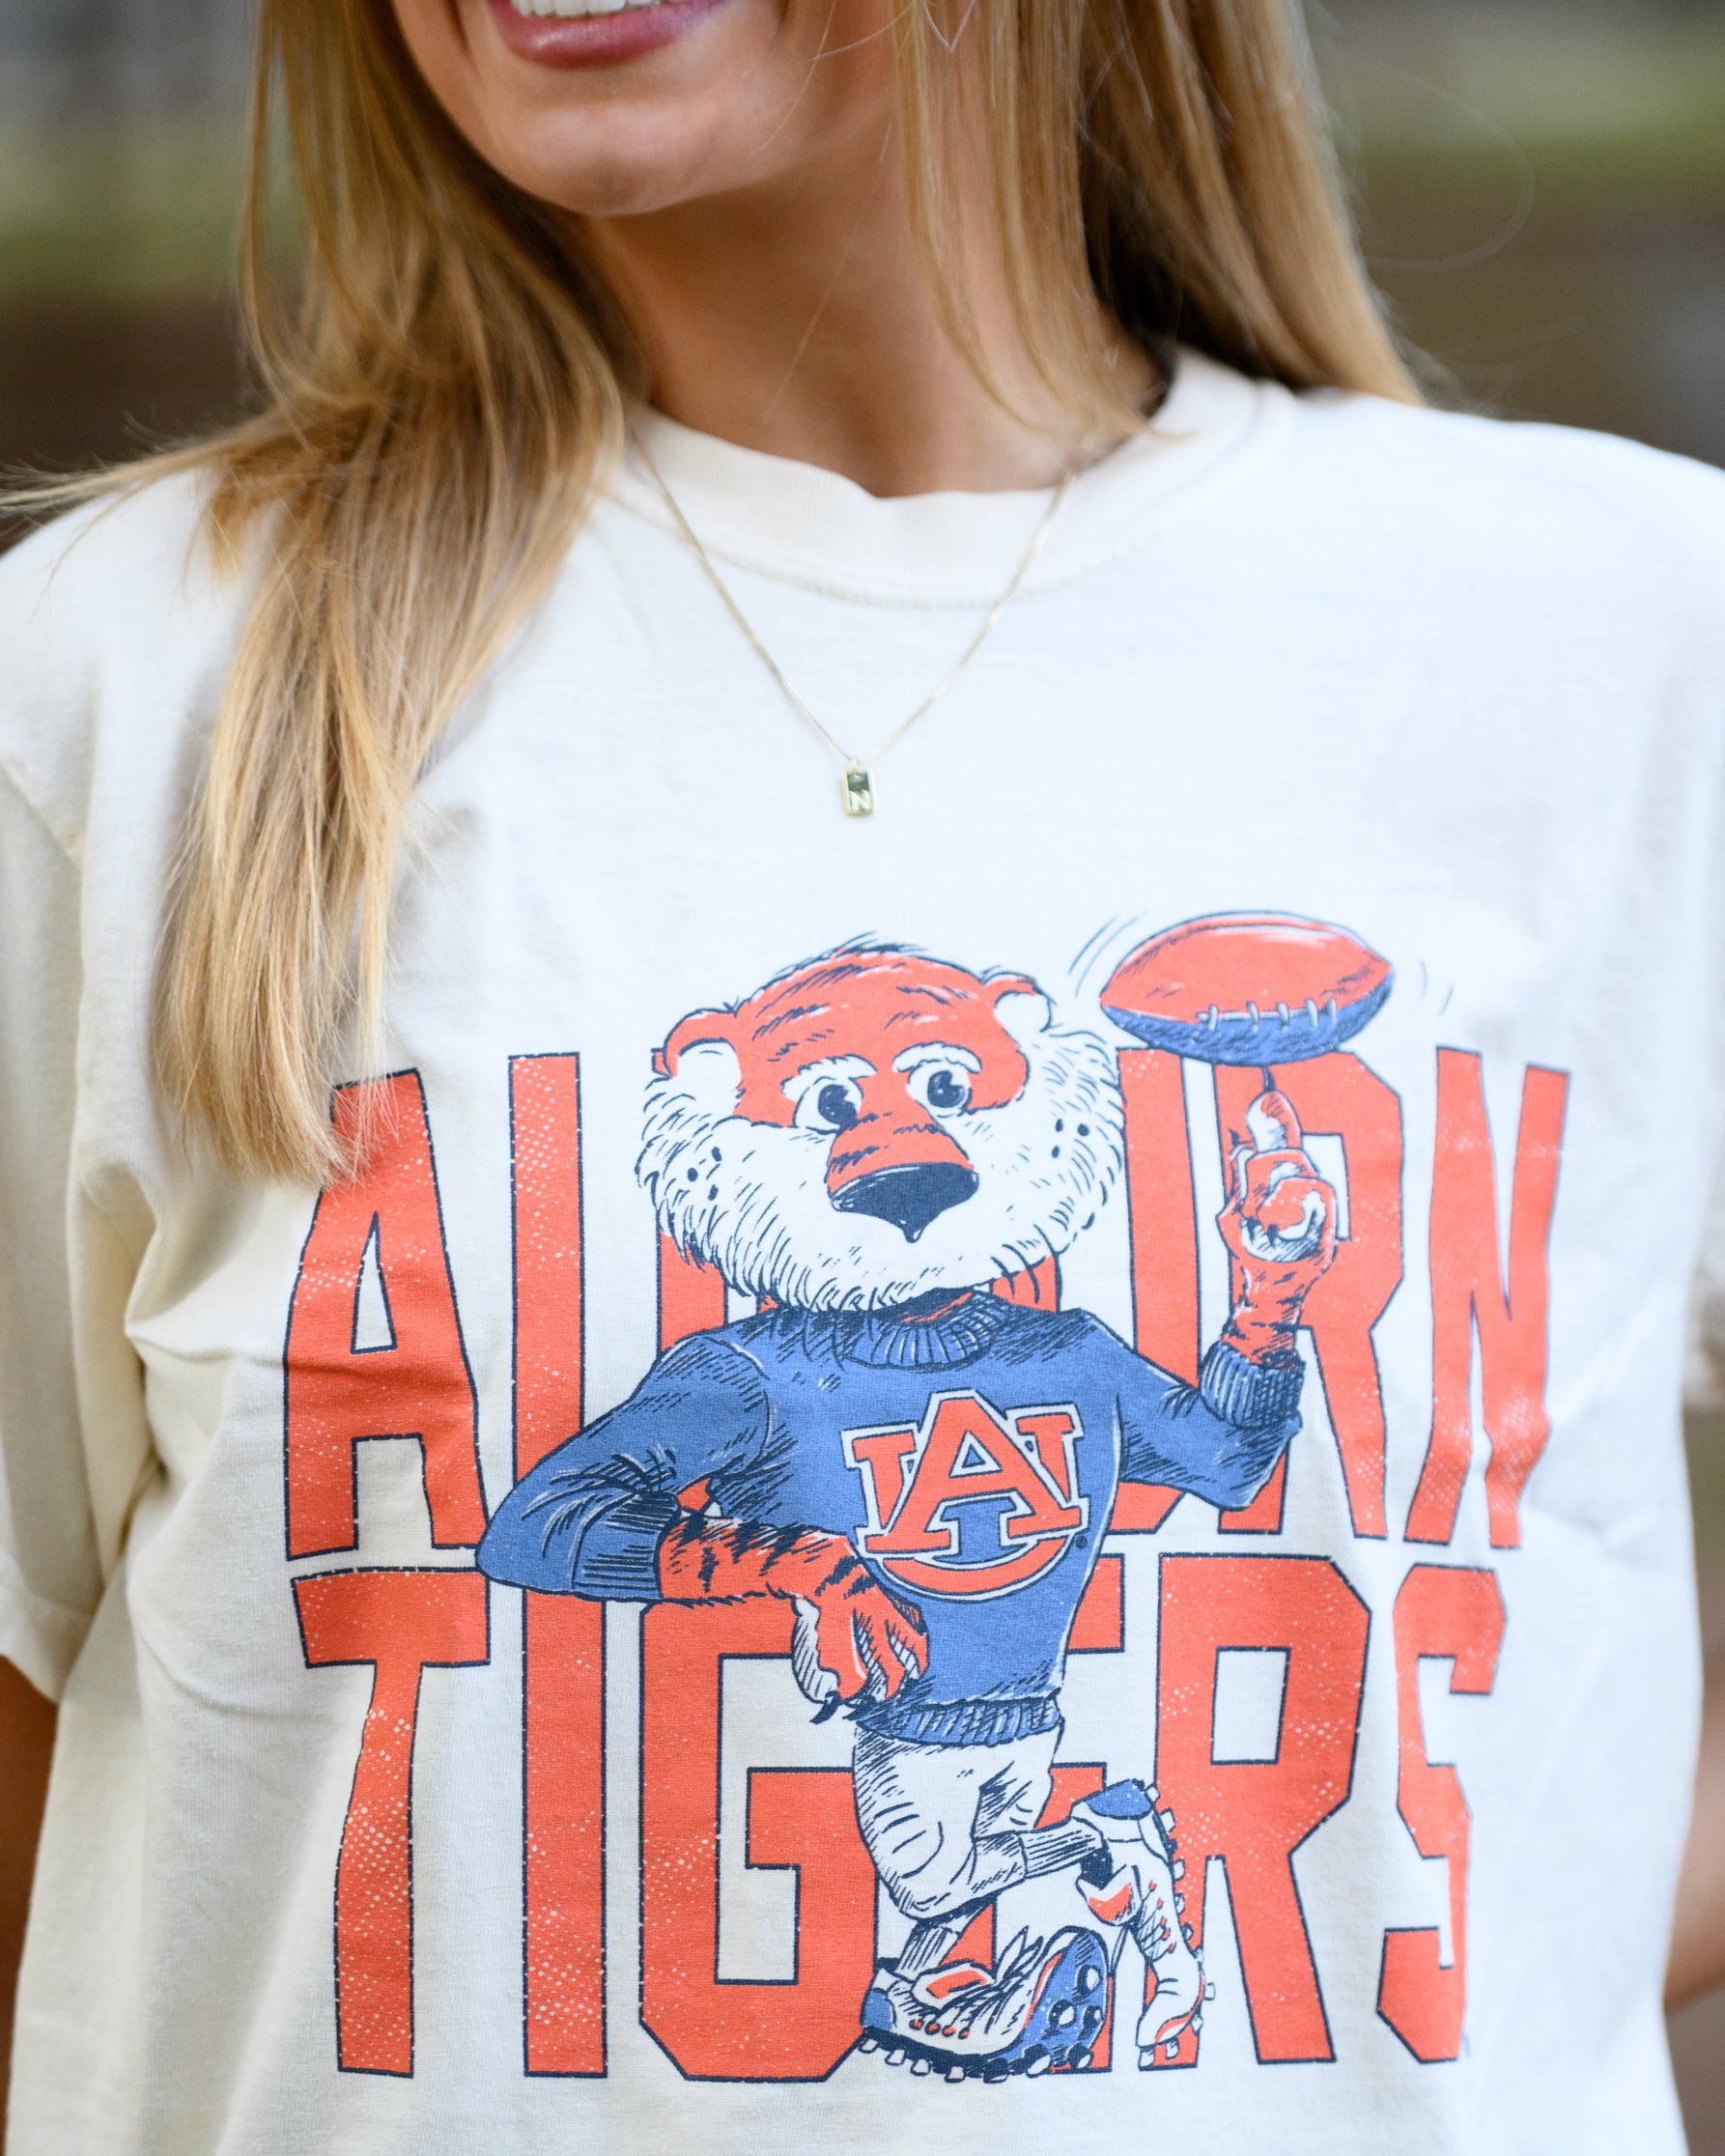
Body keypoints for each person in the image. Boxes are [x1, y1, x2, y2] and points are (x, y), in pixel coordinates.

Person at [0, 0, 1721, 2148]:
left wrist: (1272, 1307)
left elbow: (1231, 1482)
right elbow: (470, 1571)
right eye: (827, 1105)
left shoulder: (1634, 637)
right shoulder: (117, 694)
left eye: (934, 1095)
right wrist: (767, 1573)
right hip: (916, 1787)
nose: (895, 1145)